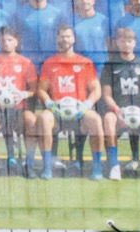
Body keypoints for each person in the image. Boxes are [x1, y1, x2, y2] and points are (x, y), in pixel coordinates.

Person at [36, 23, 105, 178]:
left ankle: (97, 168)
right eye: (61, 37)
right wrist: (50, 104)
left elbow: (96, 89)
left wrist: (87, 105)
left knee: (95, 120)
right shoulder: (49, 63)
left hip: (80, 111)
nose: (64, 40)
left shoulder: (85, 62)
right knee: (44, 118)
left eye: (67, 36)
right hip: (57, 111)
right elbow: (41, 89)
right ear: (56, 39)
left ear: (73, 39)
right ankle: (47, 168)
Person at [0, 24, 36, 175]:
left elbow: (34, 89)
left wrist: (22, 94)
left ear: (16, 41)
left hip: (18, 111)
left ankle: (29, 165)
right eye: (3, 40)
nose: (6, 43)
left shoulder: (25, 63)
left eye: (10, 40)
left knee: (30, 119)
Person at [99, 24, 140, 179]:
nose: (126, 44)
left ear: (134, 43)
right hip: (119, 110)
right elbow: (106, 94)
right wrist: (118, 110)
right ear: (117, 43)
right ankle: (114, 165)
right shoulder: (110, 65)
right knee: (108, 119)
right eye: (123, 41)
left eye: (129, 41)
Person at [15, 0, 67, 67]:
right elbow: (16, 39)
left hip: (51, 61)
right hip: (28, 61)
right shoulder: (20, 14)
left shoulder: (57, 14)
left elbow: (63, 38)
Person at [71, 0, 110, 69]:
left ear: (94, 1)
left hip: (101, 67)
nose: (84, 1)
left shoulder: (104, 21)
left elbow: (111, 45)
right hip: (80, 67)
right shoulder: (71, 21)